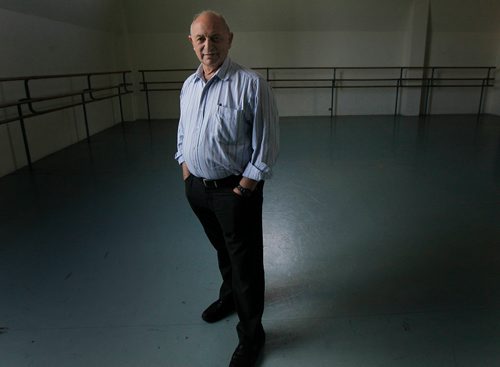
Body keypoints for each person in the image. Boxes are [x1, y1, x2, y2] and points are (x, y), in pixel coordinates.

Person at [175, 10, 279, 367]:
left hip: (235, 192)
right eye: (201, 39)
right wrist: (186, 170)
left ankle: (252, 335)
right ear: (192, 43)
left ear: (230, 39)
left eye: (216, 38)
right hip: (199, 190)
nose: (209, 46)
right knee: (223, 250)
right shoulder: (188, 86)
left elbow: (266, 144)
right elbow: (184, 133)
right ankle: (229, 296)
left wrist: (245, 187)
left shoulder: (251, 84)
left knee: (246, 263)